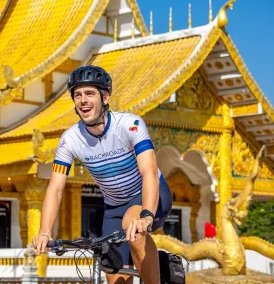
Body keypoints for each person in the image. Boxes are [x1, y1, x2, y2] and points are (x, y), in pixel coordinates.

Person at [32, 65, 172, 284]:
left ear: (105, 97)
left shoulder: (130, 125)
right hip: (113, 208)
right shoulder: (69, 140)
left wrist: (146, 214)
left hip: (148, 194)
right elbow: (55, 188)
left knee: (132, 223)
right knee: (116, 279)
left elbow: (149, 173)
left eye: (89, 93)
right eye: (77, 95)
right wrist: (45, 231)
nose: (83, 100)